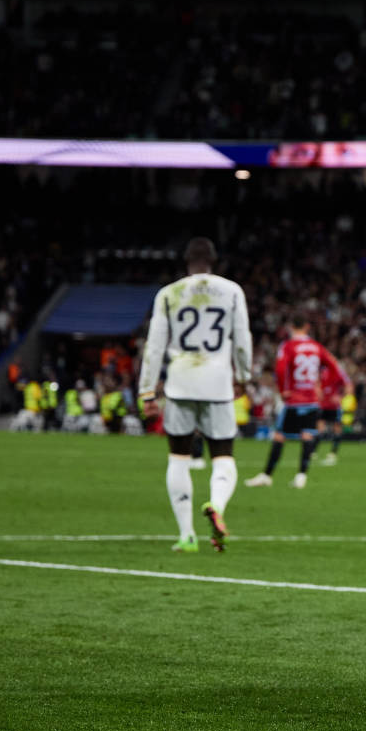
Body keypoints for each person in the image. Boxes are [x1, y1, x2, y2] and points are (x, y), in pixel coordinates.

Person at [138, 237, 252, 553]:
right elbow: (242, 338)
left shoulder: (169, 294)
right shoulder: (231, 291)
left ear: (186, 262)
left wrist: (147, 391)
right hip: (217, 382)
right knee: (223, 456)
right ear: (214, 261)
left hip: (180, 382)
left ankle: (187, 534)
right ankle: (216, 505)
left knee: (179, 457)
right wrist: (244, 375)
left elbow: (155, 345)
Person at [245, 314, 343, 490]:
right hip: (312, 399)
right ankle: (301, 476)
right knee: (307, 434)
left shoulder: (288, 346)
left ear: (291, 327)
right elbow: (335, 366)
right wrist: (324, 387)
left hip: (294, 399)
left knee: (279, 436)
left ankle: (267, 475)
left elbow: (280, 369)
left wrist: (283, 390)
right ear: (306, 327)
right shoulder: (316, 347)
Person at [317, 354, 351, 466]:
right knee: (319, 428)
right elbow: (316, 384)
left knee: (337, 428)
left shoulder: (339, 372)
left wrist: (341, 397)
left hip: (334, 406)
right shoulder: (322, 371)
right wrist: (318, 394)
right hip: (322, 405)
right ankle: (313, 452)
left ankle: (333, 454)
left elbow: (349, 386)